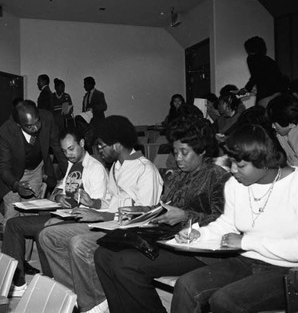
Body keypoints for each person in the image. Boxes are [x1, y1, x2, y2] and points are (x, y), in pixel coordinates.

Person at [171, 124, 298, 313]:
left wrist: (247, 242)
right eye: (232, 163)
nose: (233, 170)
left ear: (263, 161)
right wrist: (199, 233)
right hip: (246, 261)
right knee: (186, 285)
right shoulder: (235, 184)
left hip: (289, 270)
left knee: (225, 300)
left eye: (241, 164)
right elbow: (227, 223)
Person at [94, 115, 231, 313]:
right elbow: (163, 207)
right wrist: (145, 211)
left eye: (184, 152)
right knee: (103, 254)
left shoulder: (217, 177)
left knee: (125, 263)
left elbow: (223, 221)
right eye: (175, 152)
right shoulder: (176, 176)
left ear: (202, 150)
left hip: (199, 251)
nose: (178, 158)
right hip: (168, 240)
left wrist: (185, 215)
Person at [39, 115, 163, 313]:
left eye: (102, 146)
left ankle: (96, 302)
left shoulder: (146, 170)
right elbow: (112, 203)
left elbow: (144, 216)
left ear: (116, 145)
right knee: (48, 236)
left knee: (78, 244)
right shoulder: (117, 166)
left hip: (129, 232)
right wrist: (94, 203)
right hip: (108, 223)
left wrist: (100, 216)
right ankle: (75, 294)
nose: (99, 151)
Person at [1, 127, 108, 297]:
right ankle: (17, 282)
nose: (68, 155)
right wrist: (58, 197)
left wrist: (67, 216)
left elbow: (96, 210)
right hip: (62, 213)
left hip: (77, 218)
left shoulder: (95, 169)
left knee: (44, 230)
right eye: (64, 151)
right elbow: (58, 189)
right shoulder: (72, 165)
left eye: (71, 149)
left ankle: (52, 281)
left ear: (81, 143)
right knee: (13, 224)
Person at [0, 100, 67, 229]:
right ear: (19, 124)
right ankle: (9, 248)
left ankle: (28, 249)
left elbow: (57, 148)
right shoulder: (6, 131)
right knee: (11, 216)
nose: (36, 128)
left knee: (30, 217)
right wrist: (16, 185)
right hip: (12, 173)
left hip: (35, 169)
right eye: (29, 126)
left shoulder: (47, 118)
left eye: (37, 122)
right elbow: (3, 166)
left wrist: (69, 173)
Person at [238, 36, 284, 108]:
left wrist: (246, 89)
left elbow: (255, 76)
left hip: (264, 94)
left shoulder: (251, 59)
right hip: (278, 94)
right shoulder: (270, 61)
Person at [80, 76, 107, 148]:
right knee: (89, 145)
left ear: (91, 84)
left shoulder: (99, 94)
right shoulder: (85, 96)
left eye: (85, 84)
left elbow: (104, 106)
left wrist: (93, 108)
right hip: (88, 125)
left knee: (100, 144)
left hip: (98, 124)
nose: (84, 86)